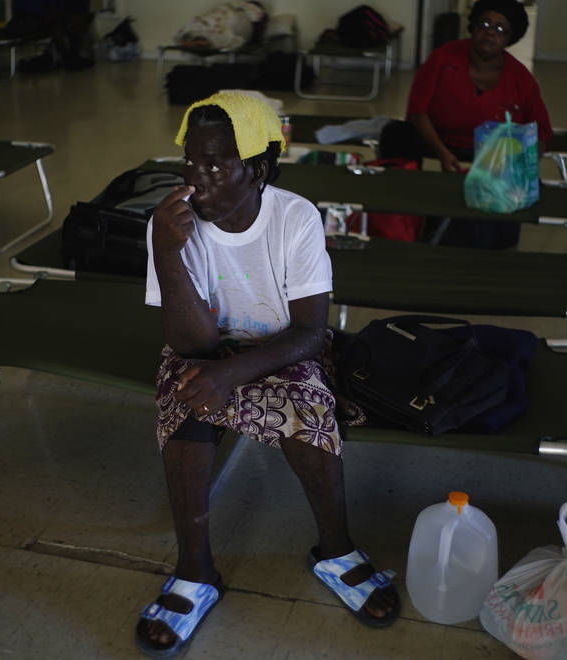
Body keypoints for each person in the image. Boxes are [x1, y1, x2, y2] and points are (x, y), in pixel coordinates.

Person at [136, 91, 399, 656]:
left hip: (284, 348)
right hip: (209, 348)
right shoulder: (172, 227)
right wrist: (165, 253)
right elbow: (189, 342)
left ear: (257, 170)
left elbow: (308, 332)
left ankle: (335, 548)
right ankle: (195, 570)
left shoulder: (295, 218)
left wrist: (233, 376)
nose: (194, 179)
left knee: (308, 413)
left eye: (214, 166)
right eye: (189, 163)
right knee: (185, 405)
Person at [381, 0, 553, 172]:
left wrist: (520, 171)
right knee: (396, 133)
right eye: (485, 24)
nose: (490, 33)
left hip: (496, 152)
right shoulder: (442, 59)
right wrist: (443, 153)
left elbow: (541, 131)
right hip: (439, 140)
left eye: (501, 29)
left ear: (510, 38)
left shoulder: (520, 77)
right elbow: (417, 112)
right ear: (473, 26)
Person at [5, 0, 93, 71]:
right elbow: (30, 8)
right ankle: (68, 59)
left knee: (79, 18)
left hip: (45, 19)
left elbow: (59, 3)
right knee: (55, 21)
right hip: (24, 21)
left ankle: (73, 55)